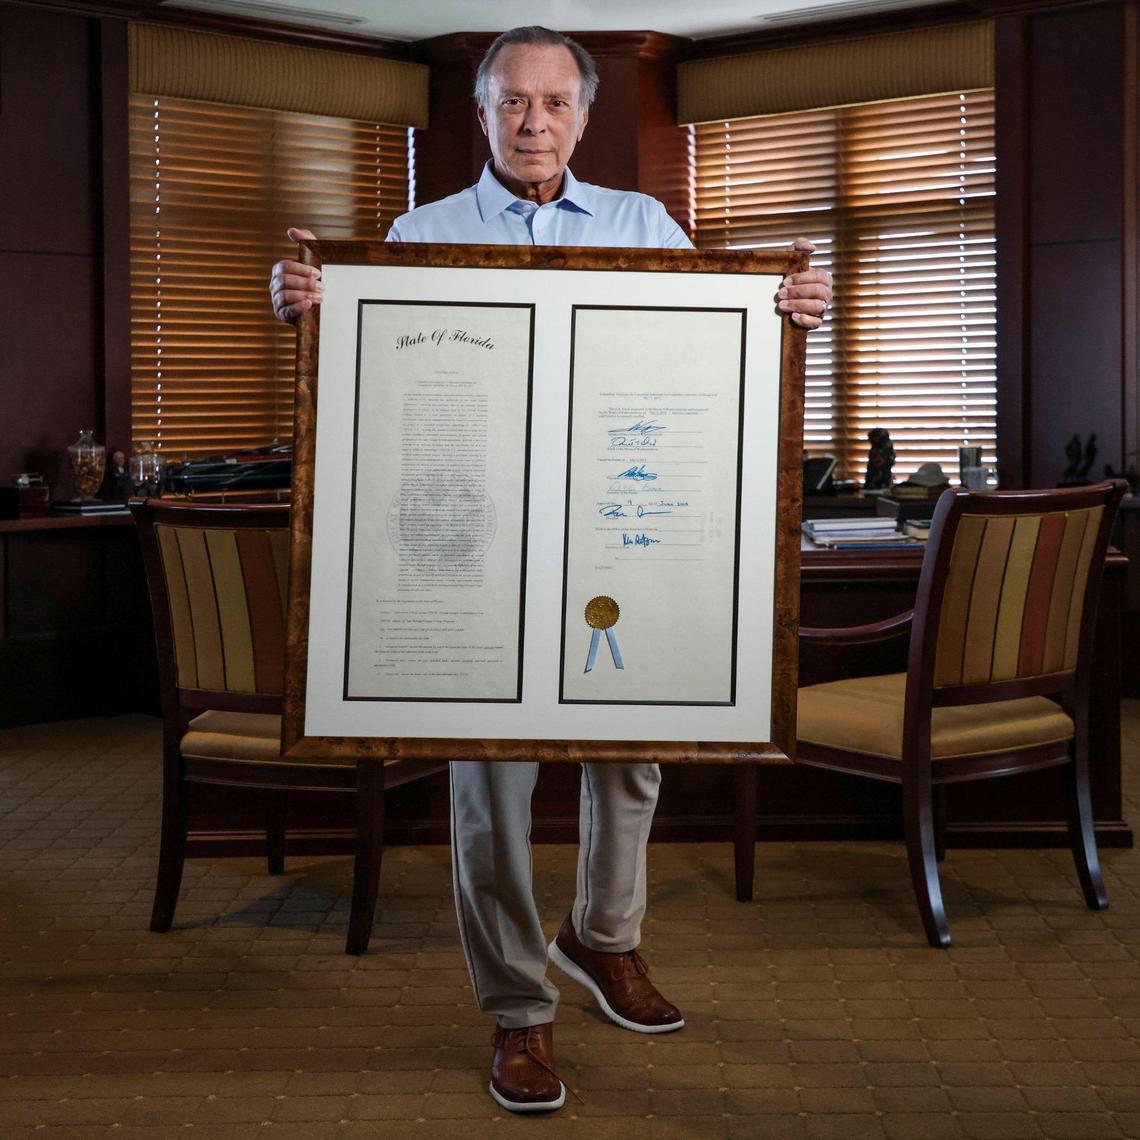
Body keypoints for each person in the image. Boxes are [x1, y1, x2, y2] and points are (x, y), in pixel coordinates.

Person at [270, 25, 832, 1115]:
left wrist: (791, 314)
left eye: (554, 103)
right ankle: (519, 1013)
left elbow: (714, 359)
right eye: (512, 104)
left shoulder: (647, 226)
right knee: (489, 786)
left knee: (635, 755)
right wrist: (305, 311)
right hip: (471, 544)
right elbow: (365, 380)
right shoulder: (413, 234)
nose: (534, 123)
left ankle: (604, 938)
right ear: (481, 116)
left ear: (583, 115)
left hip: (614, 536)